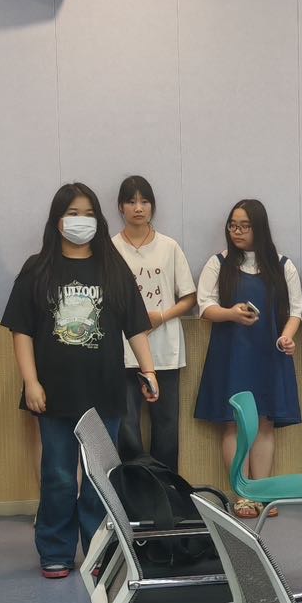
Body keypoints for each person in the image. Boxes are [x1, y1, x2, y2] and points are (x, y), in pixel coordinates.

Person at [5, 184, 156, 578]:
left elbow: (135, 325)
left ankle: (98, 551)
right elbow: (21, 331)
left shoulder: (113, 267)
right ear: (58, 220)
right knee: (57, 475)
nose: (81, 221)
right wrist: (30, 382)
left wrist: (149, 370)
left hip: (104, 391)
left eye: (89, 213)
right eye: (73, 213)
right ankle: (55, 550)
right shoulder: (37, 268)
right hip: (52, 394)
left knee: (99, 478)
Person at [194, 199, 302, 519]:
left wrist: (286, 337)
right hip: (231, 353)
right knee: (234, 422)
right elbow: (205, 306)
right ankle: (242, 495)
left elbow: (296, 311)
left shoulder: (283, 265)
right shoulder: (218, 263)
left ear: (260, 228)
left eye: (244, 226)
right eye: (233, 225)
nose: (237, 232)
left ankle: (262, 492)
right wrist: (231, 313)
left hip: (270, 352)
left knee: (265, 422)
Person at [112, 176, 196, 472]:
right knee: (126, 426)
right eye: (131, 202)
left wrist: (161, 316)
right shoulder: (110, 249)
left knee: (167, 426)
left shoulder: (169, 246)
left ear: (152, 206)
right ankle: (134, 489)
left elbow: (189, 298)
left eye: (144, 201)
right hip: (123, 351)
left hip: (165, 350)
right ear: (120, 207)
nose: (138, 208)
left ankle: (166, 489)